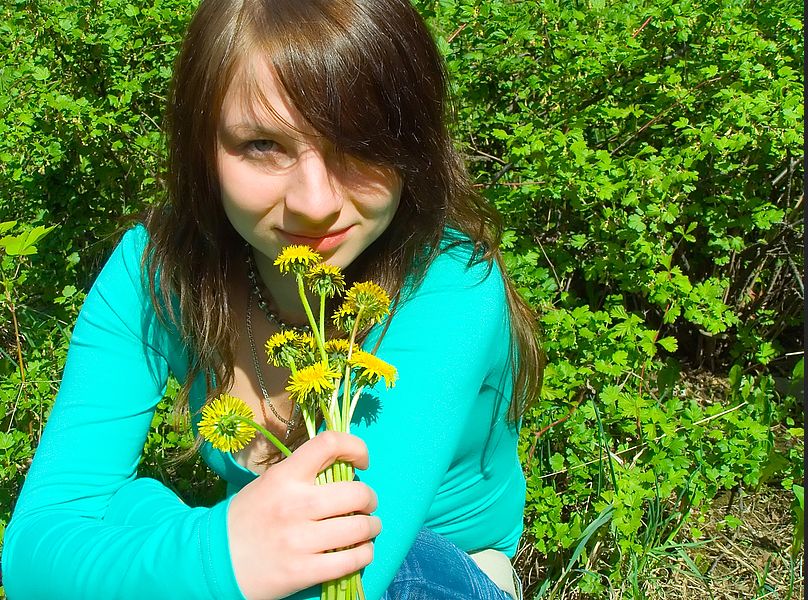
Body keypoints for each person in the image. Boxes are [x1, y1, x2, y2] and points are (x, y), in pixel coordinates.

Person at [1, 0, 544, 598]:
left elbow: (346, 575)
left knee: (116, 523)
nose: (315, 202)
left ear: (412, 144)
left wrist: (172, 542)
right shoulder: (156, 269)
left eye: (359, 144)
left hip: (433, 568)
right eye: (262, 144)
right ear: (203, 146)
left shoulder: (448, 283)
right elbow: (29, 555)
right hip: (262, 549)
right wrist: (217, 549)